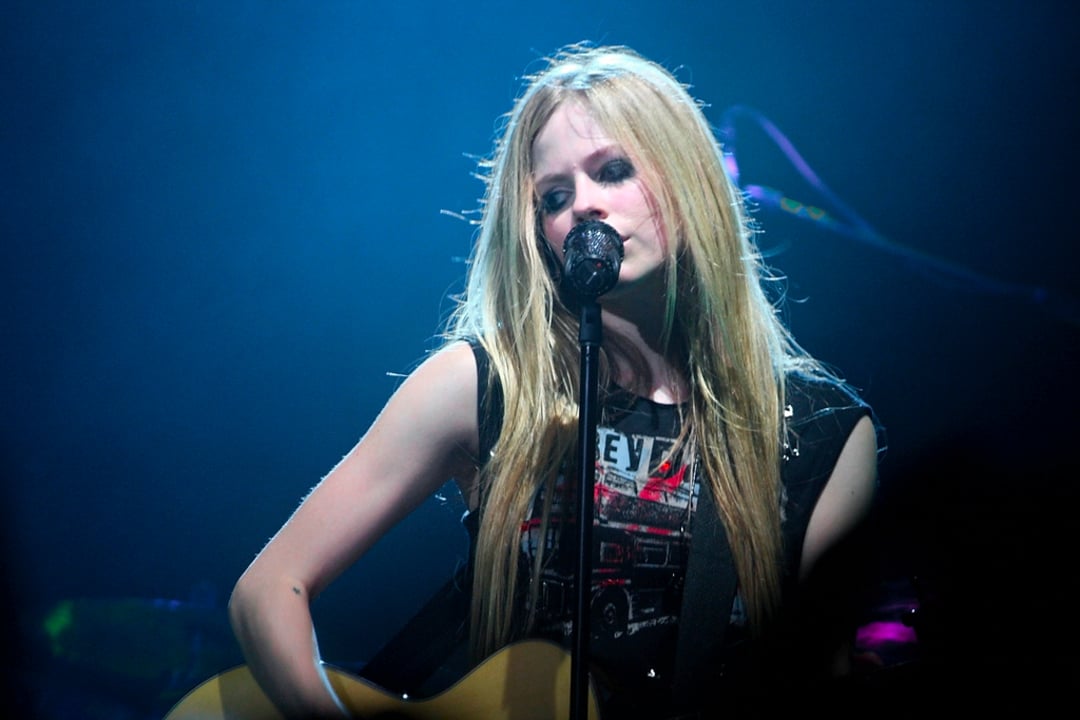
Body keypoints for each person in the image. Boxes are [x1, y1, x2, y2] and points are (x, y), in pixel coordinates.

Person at [227, 43, 883, 719]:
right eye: (556, 196)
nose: (584, 209)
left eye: (615, 171)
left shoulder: (817, 434)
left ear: (689, 186)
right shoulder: (484, 384)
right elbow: (270, 588)